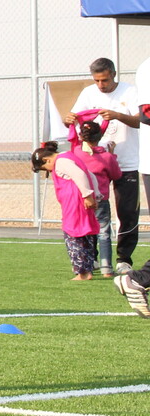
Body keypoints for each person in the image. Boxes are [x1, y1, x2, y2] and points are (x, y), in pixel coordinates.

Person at [62, 58, 140, 275]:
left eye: (104, 80)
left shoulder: (130, 92)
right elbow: (73, 119)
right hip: (96, 163)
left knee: (127, 212)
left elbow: (140, 120)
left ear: (113, 74)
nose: (100, 85)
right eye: (96, 80)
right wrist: (68, 118)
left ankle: (124, 259)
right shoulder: (88, 93)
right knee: (94, 211)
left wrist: (117, 116)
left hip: (127, 160)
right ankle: (93, 257)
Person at [31, 141, 100, 281]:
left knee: (74, 236)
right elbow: (90, 175)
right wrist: (96, 194)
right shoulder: (69, 156)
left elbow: (80, 175)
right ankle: (88, 268)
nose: (49, 171)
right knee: (86, 235)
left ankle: (82, 272)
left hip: (74, 205)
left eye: (45, 167)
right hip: (80, 204)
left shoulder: (61, 162)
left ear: (47, 159)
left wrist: (87, 195)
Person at [74, 120, 123, 276]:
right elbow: (116, 175)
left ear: (81, 136)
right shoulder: (106, 157)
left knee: (84, 232)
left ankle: (85, 264)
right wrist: (112, 154)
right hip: (100, 199)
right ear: (100, 136)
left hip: (81, 199)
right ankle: (106, 267)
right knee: (103, 232)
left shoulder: (76, 153)